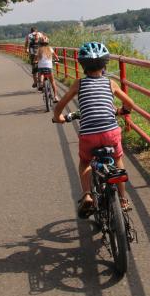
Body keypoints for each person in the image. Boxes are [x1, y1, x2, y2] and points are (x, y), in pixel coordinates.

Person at [53, 42, 136, 217]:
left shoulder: (79, 84)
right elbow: (130, 104)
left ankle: (87, 195)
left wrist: (58, 117)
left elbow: (61, 104)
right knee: (117, 158)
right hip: (110, 132)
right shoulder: (110, 83)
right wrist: (122, 111)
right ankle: (122, 199)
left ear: (83, 65)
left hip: (89, 134)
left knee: (85, 162)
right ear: (105, 64)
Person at [35, 37, 60, 102]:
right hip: (49, 67)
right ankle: (55, 96)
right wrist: (57, 60)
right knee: (52, 81)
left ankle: (41, 83)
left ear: (40, 43)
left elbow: (36, 58)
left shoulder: (39, 49)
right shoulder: (50, 49)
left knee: (41, 73)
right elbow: (56, 57)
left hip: (41, 67)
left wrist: (35, 61)